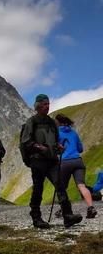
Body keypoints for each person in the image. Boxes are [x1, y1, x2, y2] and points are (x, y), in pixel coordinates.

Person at [20, 94, 82, 228]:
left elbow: (55, 140)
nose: (47, 106)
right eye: (44, 104)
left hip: (52, 160)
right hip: (37, 160)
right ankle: (36, 218)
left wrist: (58, 146)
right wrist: (39, 147)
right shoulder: (32, 122)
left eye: (48, 103)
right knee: (38, 188)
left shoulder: (52, 122)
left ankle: (68, 216)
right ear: (37, 106)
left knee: (60, 185)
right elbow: (26, 141)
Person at [55, 113, 97, 219]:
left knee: (62, 188)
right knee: (82, 186)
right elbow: (80, 149)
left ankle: (63, 209)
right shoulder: (74, 133)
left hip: (64, 162)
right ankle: (91, 207)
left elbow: (55, 148)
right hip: (78, 161)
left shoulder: (57, 133)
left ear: (58, 123)